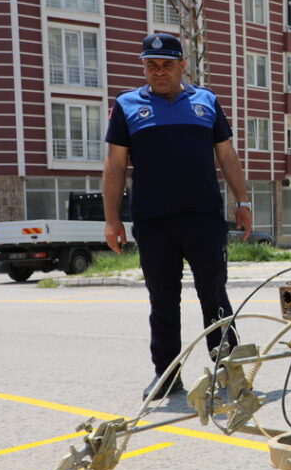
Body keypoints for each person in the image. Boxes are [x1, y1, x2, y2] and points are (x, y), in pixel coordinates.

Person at [103, 32, 252, 400]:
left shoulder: (207, 102)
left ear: (182, 65)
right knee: (163, 301)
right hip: (154, 222)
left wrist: (243, 201)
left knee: (214, 294)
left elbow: (227, 156)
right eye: (151, 65)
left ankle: (228, 370)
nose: (158, 71)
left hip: (203, 218)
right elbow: (115, 165)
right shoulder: (126, 106)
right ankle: (167, 377)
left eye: (166, 64)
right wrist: (111, 219)